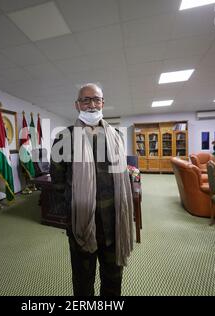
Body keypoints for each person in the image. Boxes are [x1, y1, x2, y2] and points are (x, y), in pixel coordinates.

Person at [50, 83, 134, 296]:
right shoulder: (64, 138)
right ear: (77, 105)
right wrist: (72, 213)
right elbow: (58, 182)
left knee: (113, 282)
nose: (91, 105)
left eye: (96, 99)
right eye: (85, 100)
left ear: (103, 103)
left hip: (113, 222)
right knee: (82, 283)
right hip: (82, 223)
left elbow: (122, 175)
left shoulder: (116, 135)